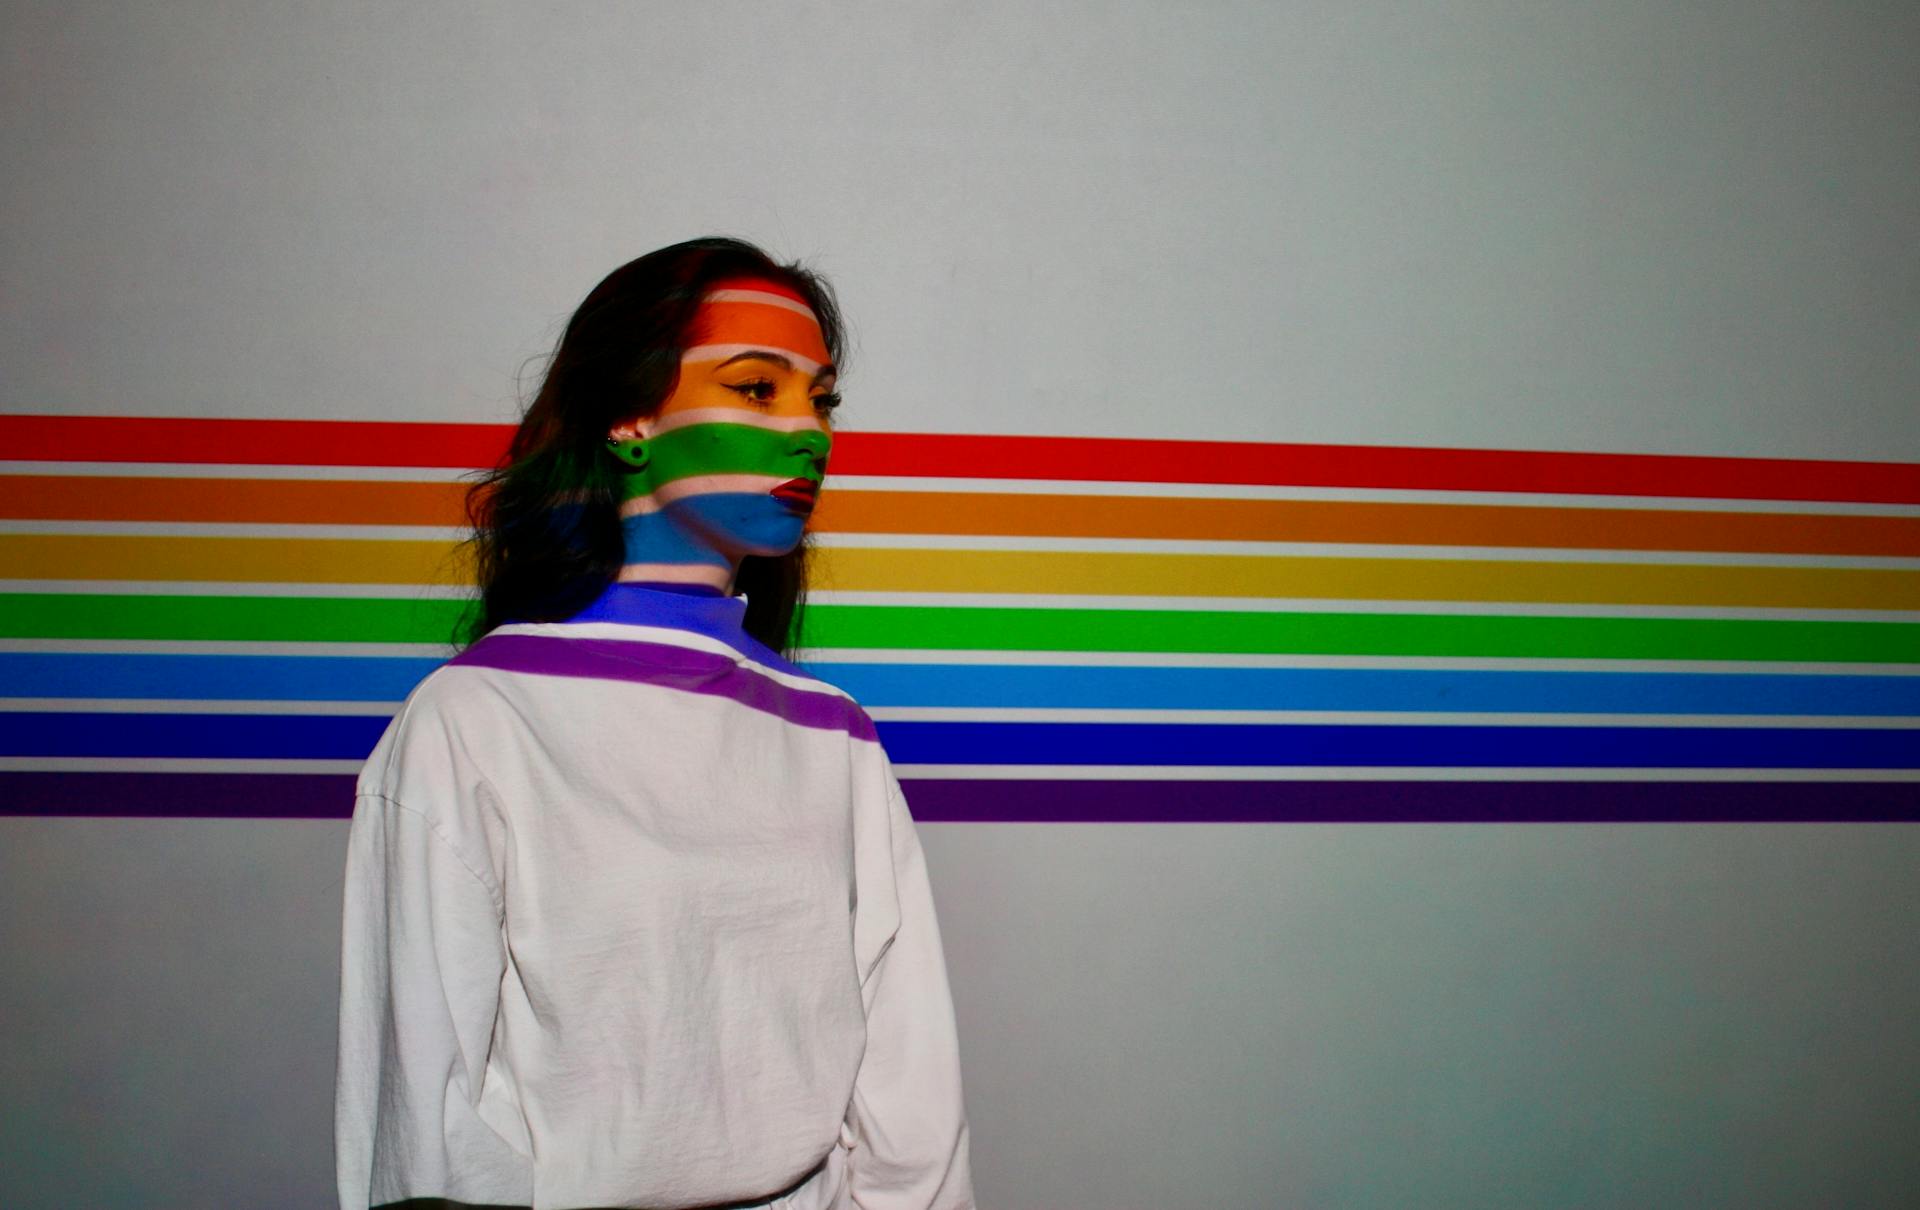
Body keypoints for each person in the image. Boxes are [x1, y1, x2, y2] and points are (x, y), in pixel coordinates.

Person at [334, 237, 975, 1209]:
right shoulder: (478, 719)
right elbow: (426, 1125)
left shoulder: (833, 735)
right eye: (759, 388)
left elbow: (910, 1105)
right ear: (630, 417)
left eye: (822, 399)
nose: (809, 432)